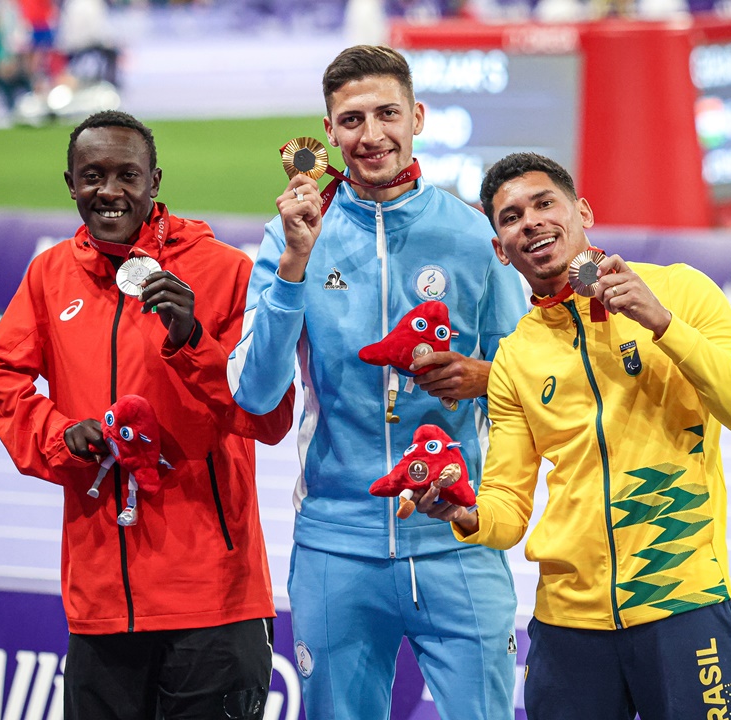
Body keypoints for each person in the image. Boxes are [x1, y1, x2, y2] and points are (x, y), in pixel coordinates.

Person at [417, 152, 731, 720]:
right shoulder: (516, 355)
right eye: (510, 218)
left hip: (681, 605)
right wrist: (461, 513)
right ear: (500, 248)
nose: (531, 222)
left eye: (544, 204)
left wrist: (664, 325)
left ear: (581, 211)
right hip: (568, 627)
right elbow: (508, 509)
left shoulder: (678, 292)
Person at [228, 45, 526, 719]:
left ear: (417, 116)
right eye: (352, 119)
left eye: (387, 113)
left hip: (457, 539)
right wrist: (296, 265)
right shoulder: (291, 238)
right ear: (328, 132)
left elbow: (531, 383)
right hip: (337, 545)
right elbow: (254, 394)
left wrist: (485, 378)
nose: (372, 135)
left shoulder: (475, 237)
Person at [0, 110, 295, 720]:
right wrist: (63, 437)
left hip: (213, 599)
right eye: (92, 176)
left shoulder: (224, 271)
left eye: (127, 174)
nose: (109, 190)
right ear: (70, 183)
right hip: (102, 600)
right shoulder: (49, 275)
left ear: (155, 181)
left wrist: (194, 340)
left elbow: (272, 416)